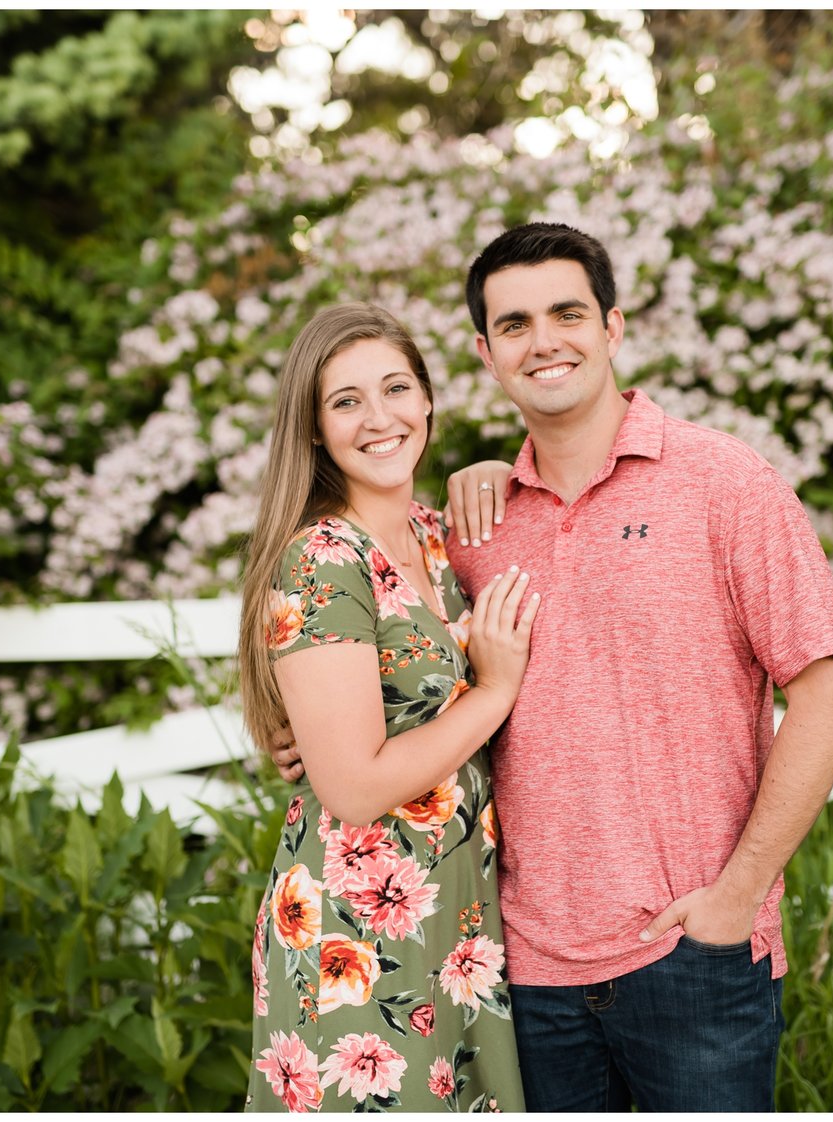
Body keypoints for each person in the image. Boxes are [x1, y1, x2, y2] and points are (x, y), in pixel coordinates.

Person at [273, 223, 833, 1111]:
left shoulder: (726, 484)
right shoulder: (469, 527)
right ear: (485, 353)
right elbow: (388, 680)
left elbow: (830, 698)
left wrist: (739, 893)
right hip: (521, 970)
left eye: (567, 313)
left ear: (613, 327)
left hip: (691, 954)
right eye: (515, 324)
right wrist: (311, 747)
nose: (544, 340)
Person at [237, 303, 542, 1111]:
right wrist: (496, 690)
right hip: (357, 939)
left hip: (454, 924)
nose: (380, 418)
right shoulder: (322, 560)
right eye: (346, 402)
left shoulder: (436, 538)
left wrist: (487, 469)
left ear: (429, 399)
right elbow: (355, 789)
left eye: (397, 388)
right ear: (312, 429)